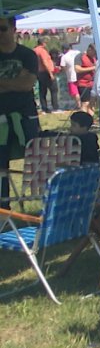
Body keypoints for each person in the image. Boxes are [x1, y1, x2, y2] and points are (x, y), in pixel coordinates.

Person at [0, 12, 41, 207]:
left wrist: (5, 84)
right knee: (1, 164)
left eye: (3, 28)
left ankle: (43, 201)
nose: (0, 33)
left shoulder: (27, 54)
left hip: (26, 115)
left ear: (14, 29)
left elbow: (27, 84)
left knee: (38, 158)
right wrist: (15, 81)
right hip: (1, 118)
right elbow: (21, 82)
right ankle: (3, 205)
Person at [33, 39, 58, 113]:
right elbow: (45, 62)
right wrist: (50, 73)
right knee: (54, 89)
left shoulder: (34, 50)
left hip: (39, 72)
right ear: (43, 43)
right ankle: (55, 107)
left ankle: (44, 107)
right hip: (46, 72)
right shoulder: (42, 51)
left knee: (42, 91)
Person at [76, 43, 97, 116]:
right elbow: (77, 69)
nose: (95, 54)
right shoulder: (80, 56)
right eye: (94, 52)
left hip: (92, 84)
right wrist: (93, 68)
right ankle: (83, 120)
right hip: (83, 84)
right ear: (89, 49)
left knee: (92, 103)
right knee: (85, 103)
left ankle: (91, 119)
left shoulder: (94, 58)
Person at [59, 43, 81, 110]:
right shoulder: (78, 52)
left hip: (71, 76)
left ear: (64, 49)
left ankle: (79, 105)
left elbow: (63, 67)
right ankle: (81, 104)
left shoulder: (64, 57)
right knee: (80, 91)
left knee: (75, 92)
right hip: (80, 74)